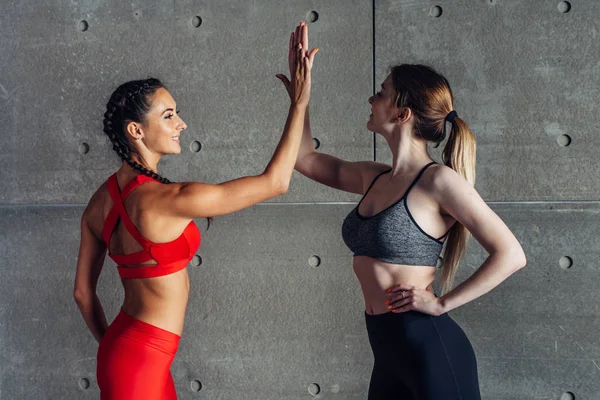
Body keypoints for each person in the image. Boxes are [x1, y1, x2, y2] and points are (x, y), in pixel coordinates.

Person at [277, 24, 526, 399]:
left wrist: (442, 303)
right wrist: (301, 98)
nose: (371, 99)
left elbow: (512, 254)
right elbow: (304, 158)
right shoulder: (373, 176)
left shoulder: (438, 182)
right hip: (388, 351)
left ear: (402, 113)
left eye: (381, 94)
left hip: (430, 349)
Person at [73, 29, 317, 399]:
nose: (181, 124)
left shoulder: (99, 202)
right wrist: (299, 103)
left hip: (130, 356)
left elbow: (82, 294)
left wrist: (116, 347)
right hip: (142, 363)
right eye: (169, 116)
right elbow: (276, 183)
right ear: (136, 130)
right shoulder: (171, 199)